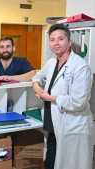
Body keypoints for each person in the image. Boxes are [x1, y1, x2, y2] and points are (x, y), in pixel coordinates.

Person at [32, 24, 93, 169]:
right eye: (52, 40)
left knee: (70, 164)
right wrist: (37, 88)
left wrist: (50, 97)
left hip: (72, 125)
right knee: (51, 162)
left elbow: (78, 102)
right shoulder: (51, 62)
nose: (56, 43)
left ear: (69, 42)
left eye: (60, 39)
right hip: (52, 123)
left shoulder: (80, 66)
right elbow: (36, 77)